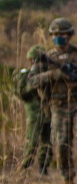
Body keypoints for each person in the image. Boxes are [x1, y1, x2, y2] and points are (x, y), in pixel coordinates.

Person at [26, 18, 77, 184]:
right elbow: (30, 82)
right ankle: (67, 180)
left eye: (61, 34)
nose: (57, 38)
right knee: (61, 144)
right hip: (58, 106)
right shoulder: (46, 59)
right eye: (54, 35)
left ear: (69, 35)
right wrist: (52, 75)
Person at [17, 44, 52, 175]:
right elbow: (21, 92)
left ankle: (44, 167)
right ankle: (25, 168)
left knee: (47, 141)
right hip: (33, 112)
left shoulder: (49, 73)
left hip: (47, 111)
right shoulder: (26, 74)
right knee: (32, 140)